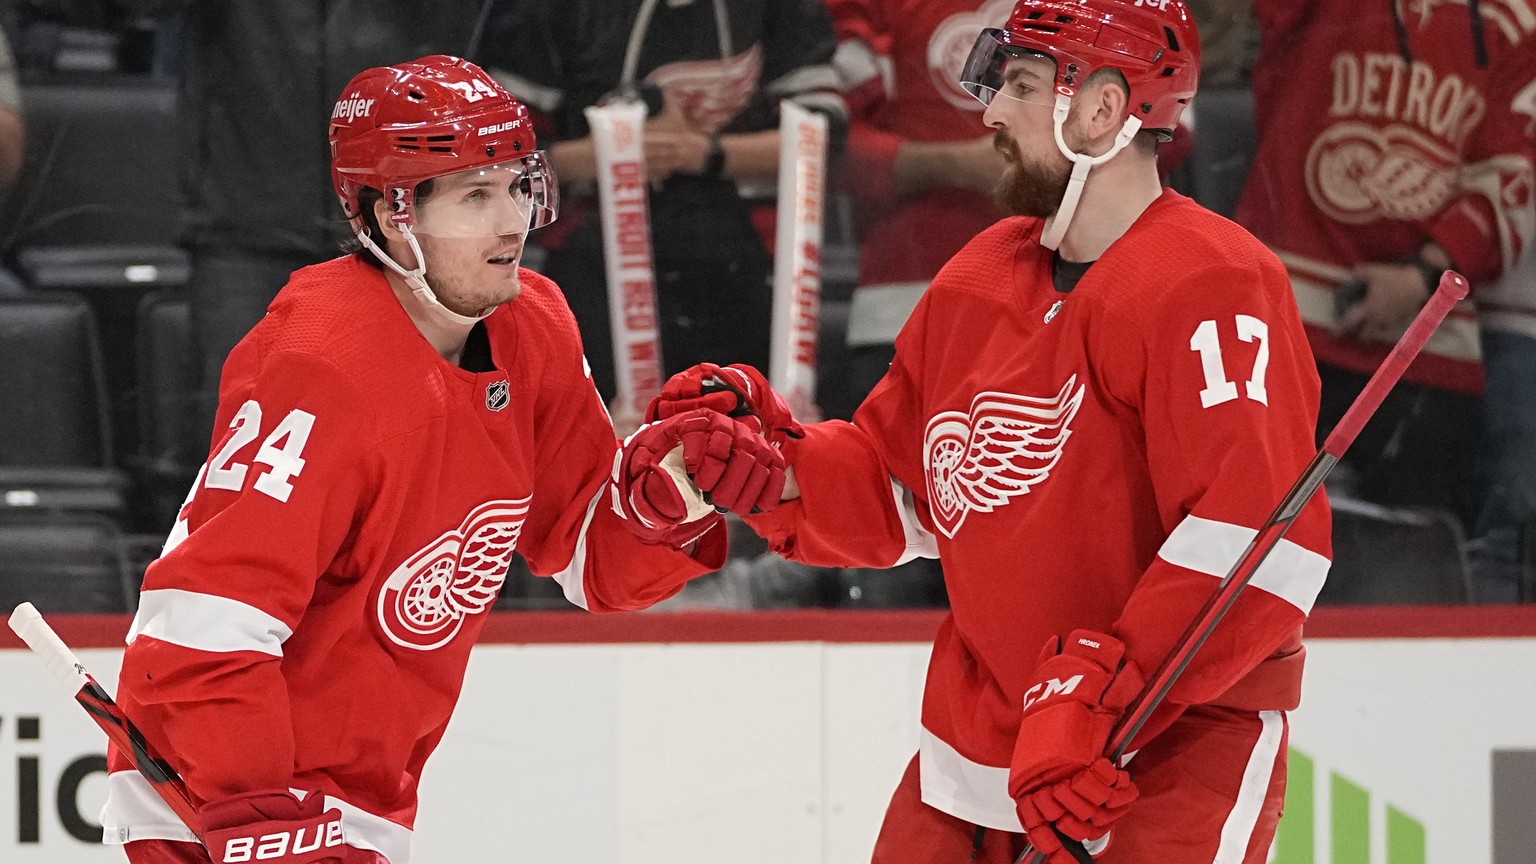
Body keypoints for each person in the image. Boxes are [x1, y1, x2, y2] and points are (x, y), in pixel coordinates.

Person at [647, 1, 1333, 861]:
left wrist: (1102, 693)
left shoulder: (1213, 282)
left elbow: (1256, 540)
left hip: (1170, 744)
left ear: (1104, 108)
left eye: (1021, 85)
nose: (992, 113)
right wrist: (781, 471)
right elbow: (906, 485)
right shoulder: (979, 274)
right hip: (982, 737)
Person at [97, 56, 785, 864]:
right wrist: (251, 802)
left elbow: (590, 559)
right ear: (393, 217)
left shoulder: (536, 325)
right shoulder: (320, 365)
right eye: (474, 196)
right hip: (220, 803)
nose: (511, 223)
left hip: (363, 800)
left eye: (517, 185)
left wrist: (671, 495)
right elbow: (207, 621)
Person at [1234, 0, 1536, 523]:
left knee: (1412, 562)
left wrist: (1425, 275)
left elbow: (1510, 177)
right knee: (1243, 537)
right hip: (1283, 321)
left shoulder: (1514, 18)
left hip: (1427, 344)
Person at [476, 0, 845, 409]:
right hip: (592, 268)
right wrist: (616, 152)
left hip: (742, 270)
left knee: (739, 451)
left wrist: (700, 153)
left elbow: (822, 134)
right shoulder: (547, 11)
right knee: (600, 444)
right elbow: (493, 151)